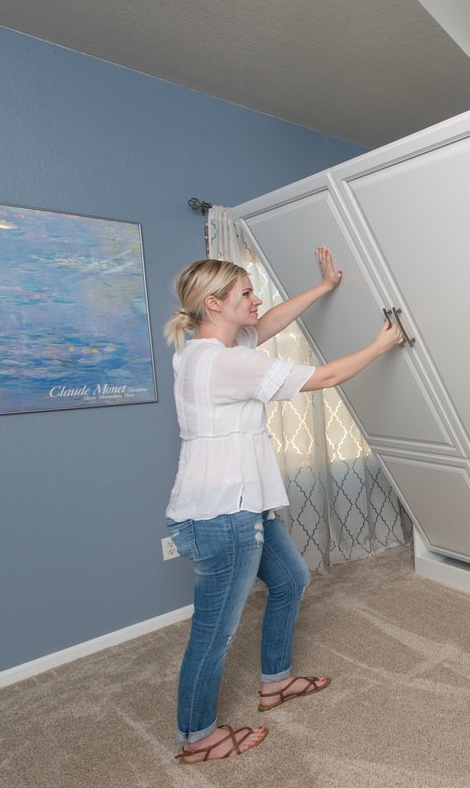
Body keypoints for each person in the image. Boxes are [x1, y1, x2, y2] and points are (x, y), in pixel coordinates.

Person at [162, 245, 404, 764]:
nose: (256, 300)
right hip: (223, 514)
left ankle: (275, 681)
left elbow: (267, 323)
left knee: (291, 580)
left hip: (242, 506)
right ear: (214, 303)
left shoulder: (198, 352)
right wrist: (381, 343)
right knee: (215, 633)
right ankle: (196, 735)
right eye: (245, 293)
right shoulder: (226, 363)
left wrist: (324, 286)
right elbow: (325, 379)